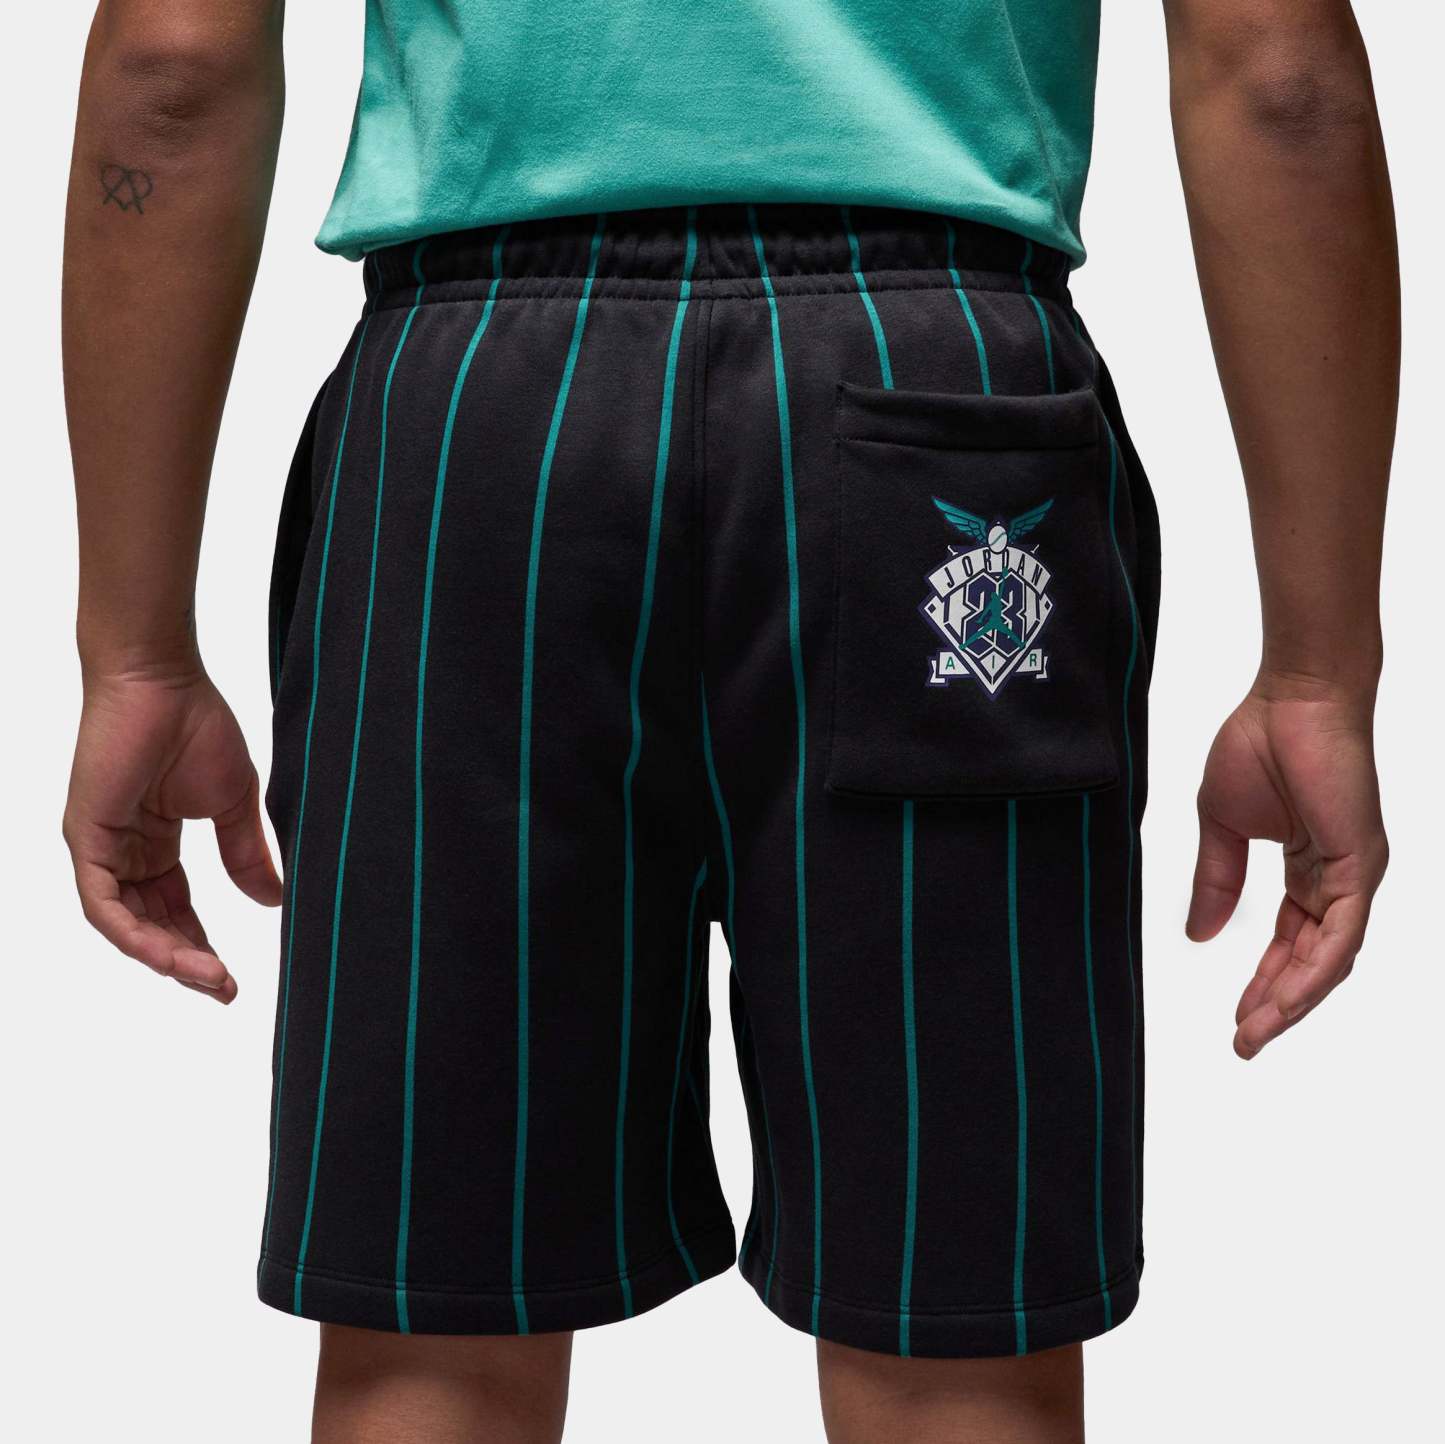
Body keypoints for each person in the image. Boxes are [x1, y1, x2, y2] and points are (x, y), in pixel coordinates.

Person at [60, 0, 1394, 1439]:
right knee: (953, 1342)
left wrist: (136, 652)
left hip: (481, 429)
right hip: (940, 410)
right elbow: (1275, 70)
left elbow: (174, 61)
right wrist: (1317, 672)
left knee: (432, 1335)